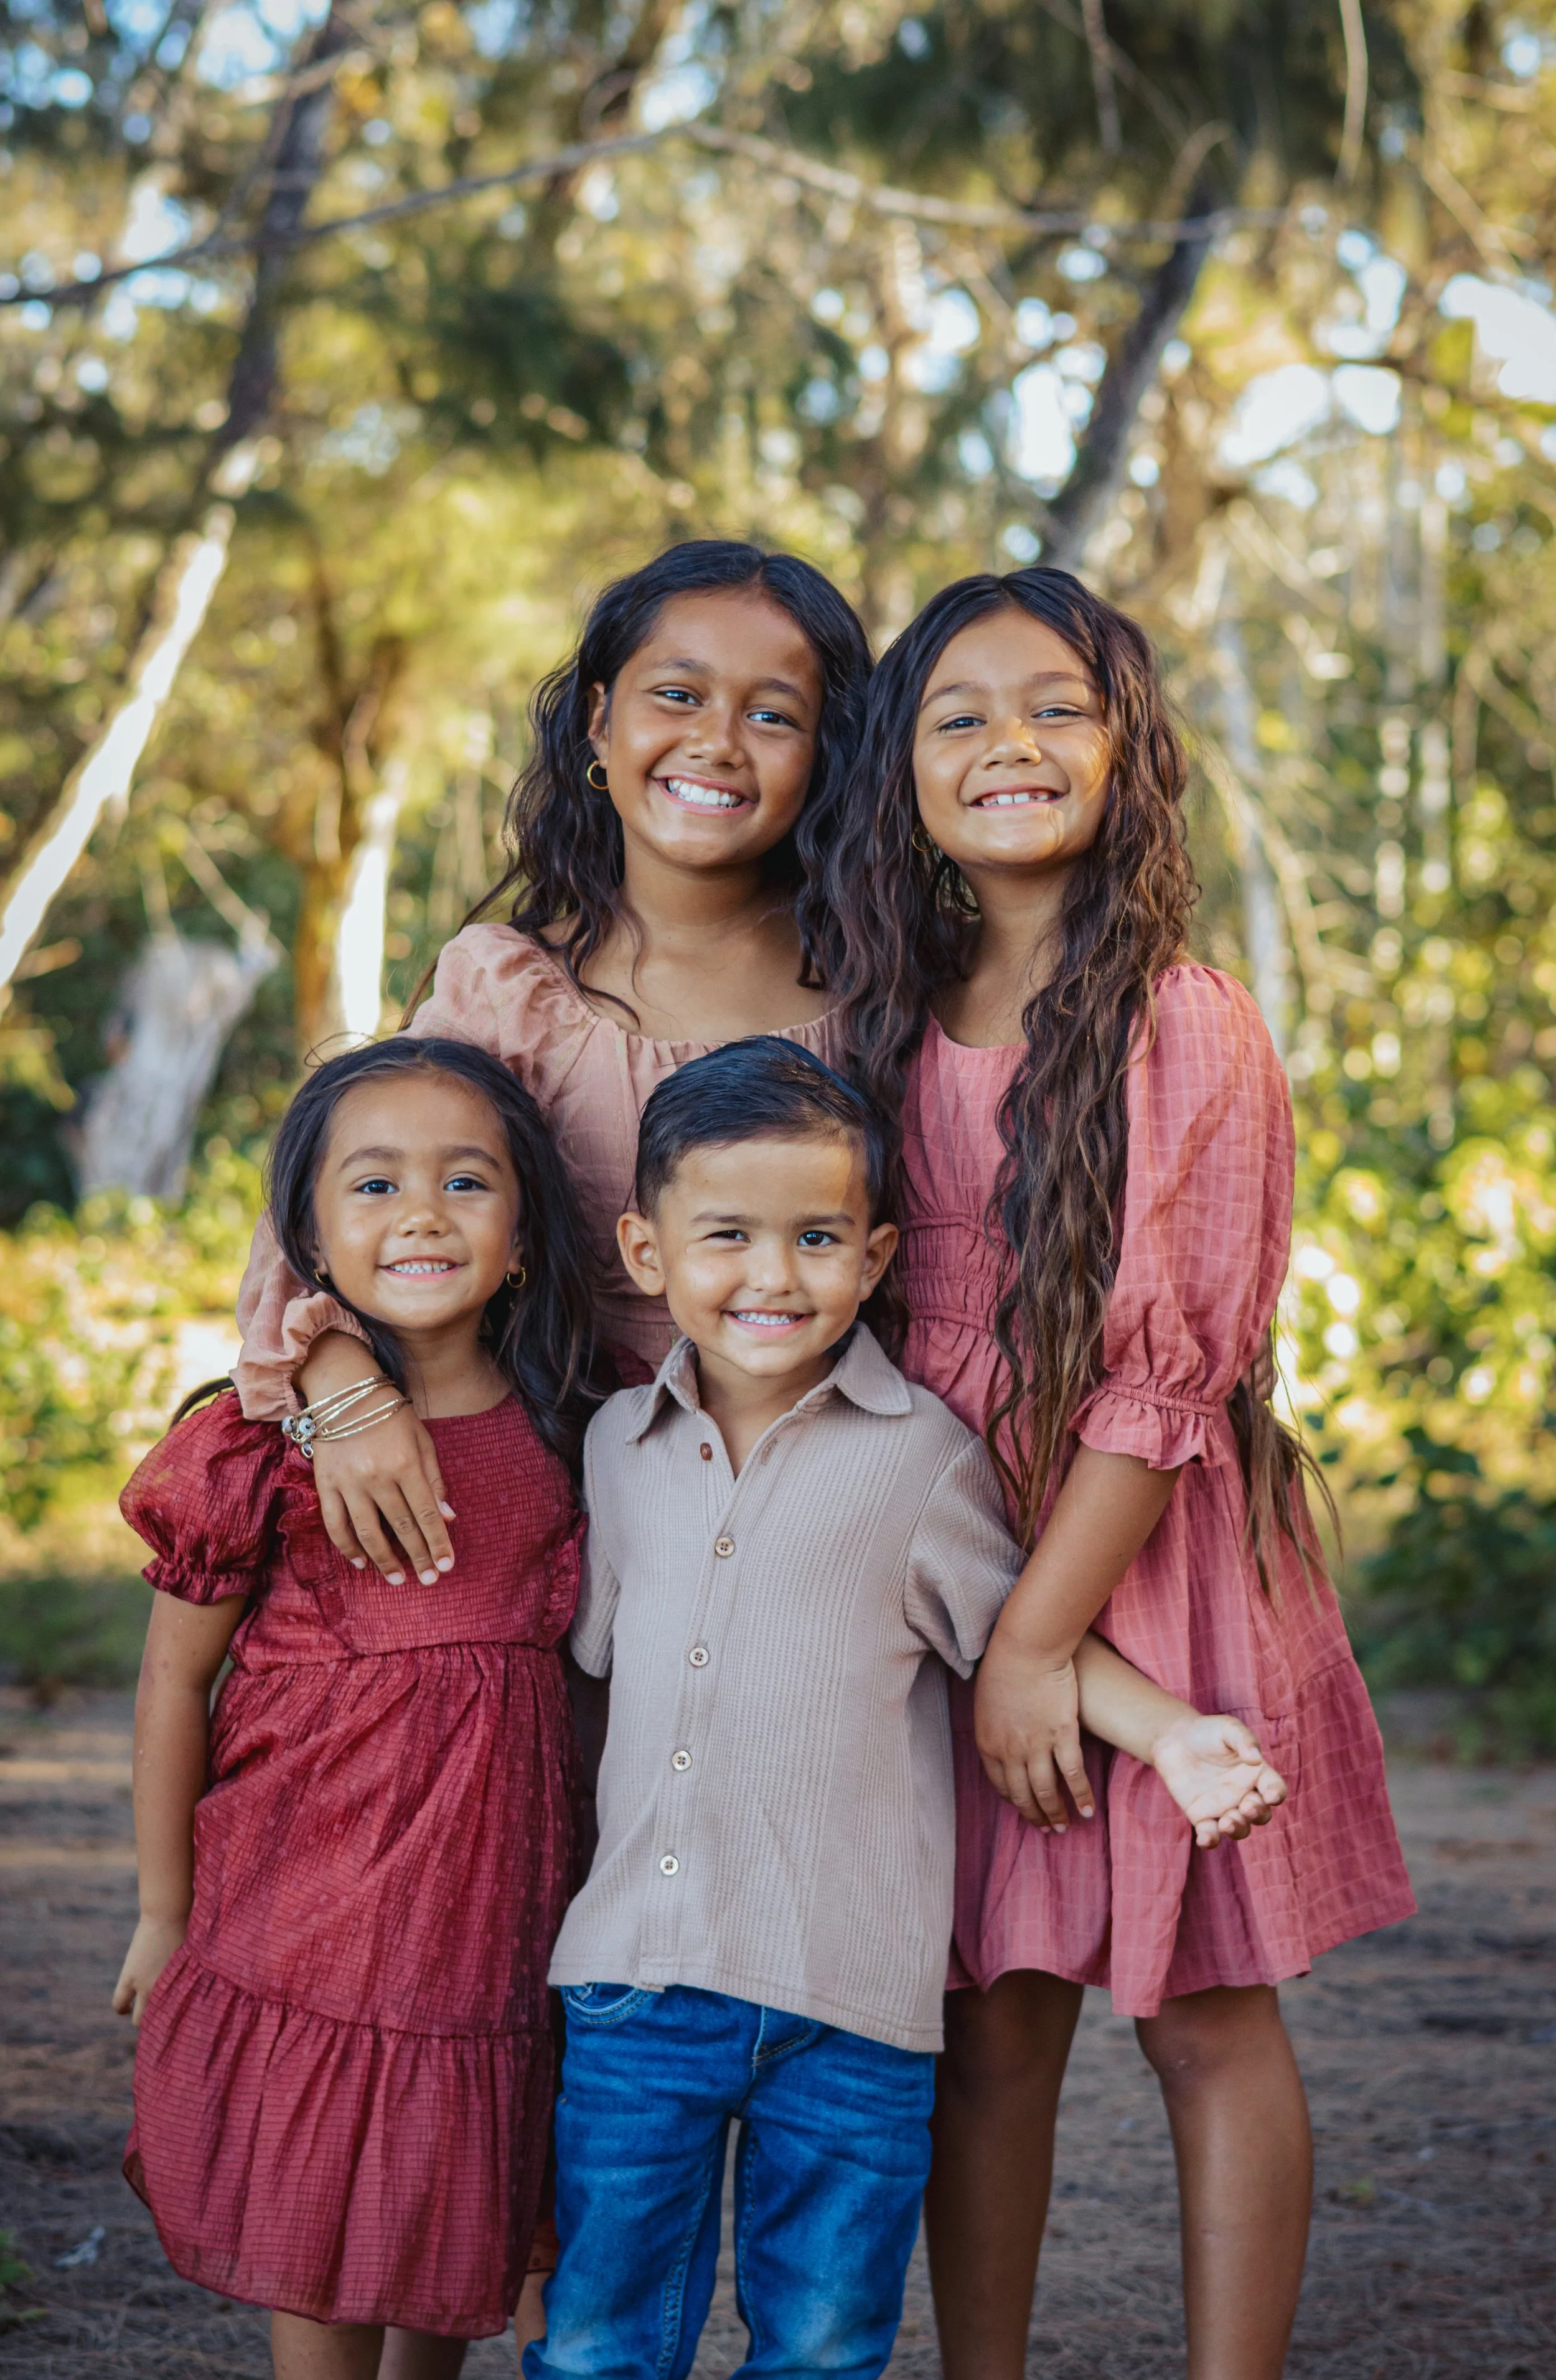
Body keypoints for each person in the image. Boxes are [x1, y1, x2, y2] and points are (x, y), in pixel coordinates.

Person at [828, 569, 1417, 2380]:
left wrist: (1038, 1647)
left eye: (1056, 707)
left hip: (1129, 1558)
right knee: (987, 2019)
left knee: (1202, 2014)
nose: (1012, 742)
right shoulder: (872, 1008)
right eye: (960, 715)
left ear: (1126, 748)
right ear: (899, 770)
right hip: (931, 1552)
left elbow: (1170, 1378)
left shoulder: (1183, 1018)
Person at [527, 1038, 1290, 2380]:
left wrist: (1167, 1731)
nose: (771, 1275)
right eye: (726, 1236)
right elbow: (580, 1682)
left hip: (851, 2006)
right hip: (635, 1987)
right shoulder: (610, 1450)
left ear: (877, 1256)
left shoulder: (920, 1459)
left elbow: (1021, 1639)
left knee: (823, 2343)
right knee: (597, 2338)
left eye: (816, 1236)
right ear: (645, 1253)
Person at [230, 540, 873, 1598]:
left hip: (822, 1515)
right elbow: (319, 1215)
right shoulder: (508, 992)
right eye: (677, 694)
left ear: (825, 757)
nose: (716, 742)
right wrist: (346, 1389)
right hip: (552, 1510)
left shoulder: (879, 989)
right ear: (598, 722)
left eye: (772, 714)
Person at [112, 1037, 615, 2380]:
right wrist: (164, 1906)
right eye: (375, 1184)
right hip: (313, 1916)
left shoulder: (571, 1430)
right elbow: (175, 1676)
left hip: (487, 1928)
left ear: (521, 1236)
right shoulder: (260, 1441)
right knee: (326, 2218)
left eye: (465, 1181)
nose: (422, 1214)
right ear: (310, 1242)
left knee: (451, 2220)